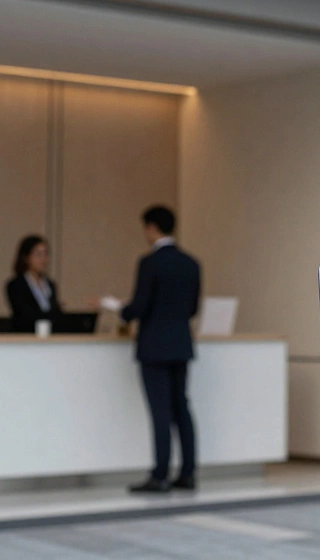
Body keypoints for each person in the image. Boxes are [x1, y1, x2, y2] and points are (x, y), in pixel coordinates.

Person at [111, 206, 201, 494]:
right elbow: (192, 308)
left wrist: (117, 307)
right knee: (182, 409)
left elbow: (138, 307)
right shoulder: (191, 263)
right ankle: (187, 472)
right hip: (180, 344)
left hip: (154, 347)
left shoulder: (149, 263)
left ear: (152, 228)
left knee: (160, 411)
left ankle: (160, 474)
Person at [5, 235, 63, 330]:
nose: (43, 259)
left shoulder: (50, 285)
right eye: (38, 254)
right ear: (26, 258)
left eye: (45, 254)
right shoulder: (16, 285)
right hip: (26, 339)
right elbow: (24, 315)